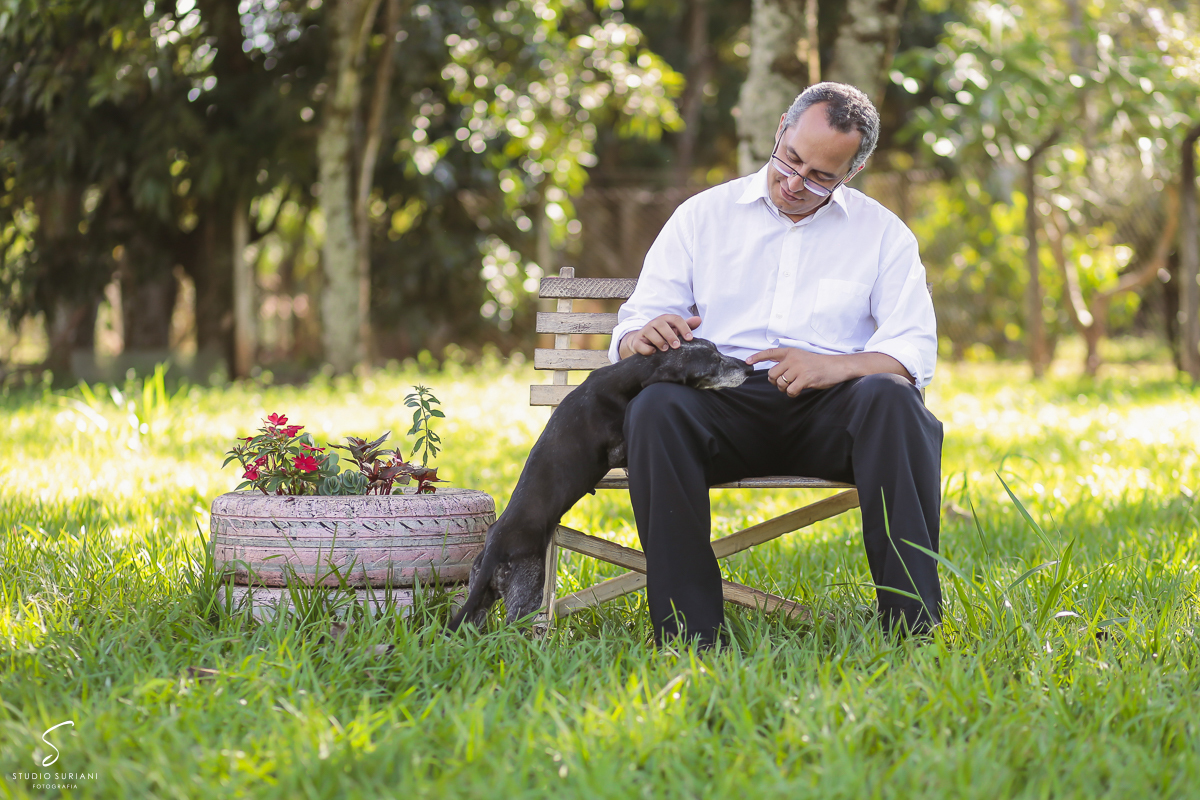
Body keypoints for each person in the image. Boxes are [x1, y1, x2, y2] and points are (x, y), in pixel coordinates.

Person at [608, 82, 943, 646]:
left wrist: (833, 367)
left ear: (851, 174)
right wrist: (643, 335)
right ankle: (690, 636)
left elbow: (913, 352)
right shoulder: (702, 217)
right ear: (782, 127)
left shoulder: (884, 235)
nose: (795, 182)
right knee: (657, 407)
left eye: (820, 177)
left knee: (893, 400)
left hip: (832, 415)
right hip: (720, 405)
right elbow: (631, 327)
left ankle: (913, 630)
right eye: (791, 159)